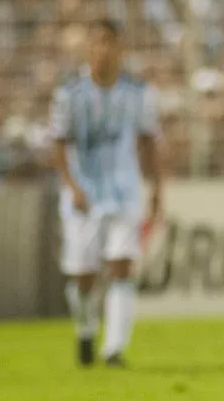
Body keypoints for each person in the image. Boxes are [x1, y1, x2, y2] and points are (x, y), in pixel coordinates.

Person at [49, 20, 164, 368]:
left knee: (121, 267)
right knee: (83, 277)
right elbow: (58, 144)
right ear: (89, 49)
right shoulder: (69, 94)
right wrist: (71, 186)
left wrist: (156, 188)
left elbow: (148, 142)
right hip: (84, 195)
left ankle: (113, 348)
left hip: (125, 191)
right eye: (97, 42)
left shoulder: (138, 93)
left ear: (120, 48)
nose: (103, 49)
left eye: (109, 42)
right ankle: (86, 329)